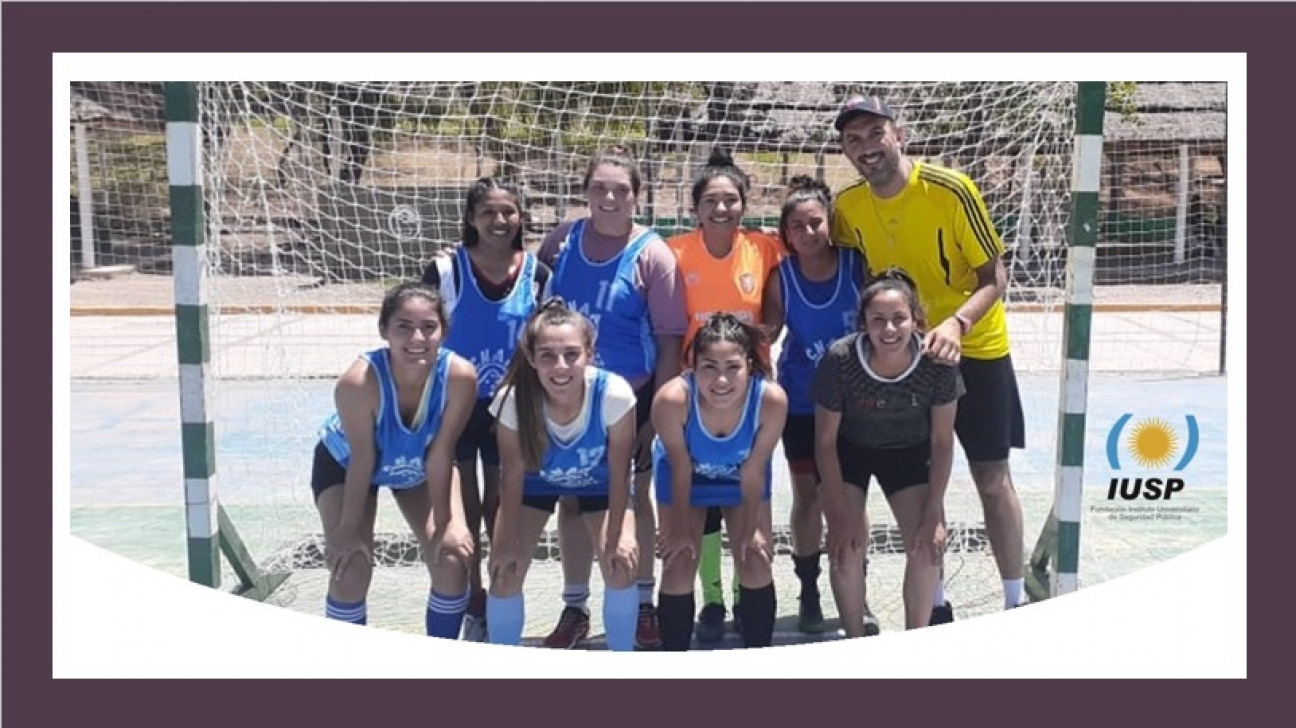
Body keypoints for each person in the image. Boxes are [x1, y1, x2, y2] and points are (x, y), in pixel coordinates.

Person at [830, 94, 1029, 616]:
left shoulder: (950, 190)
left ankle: (1016, 598)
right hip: (905, 362)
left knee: (991, 475)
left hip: (975, 348)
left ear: (899, 135)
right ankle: (935, 603)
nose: (867, 146)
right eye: (855, 139)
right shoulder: (847, 208)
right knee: (919, 489)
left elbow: (995, 277)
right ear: (846, 152)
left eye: (876, 133)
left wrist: (957, 323)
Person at [536, 145, 689, 649]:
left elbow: (670, 339)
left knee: (633, 497)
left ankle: (641, 602)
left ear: (637, 197)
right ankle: (575, 608)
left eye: (620, 189)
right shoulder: (563, 240)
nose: (608, 197)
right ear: (585, 192)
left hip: (631, 399)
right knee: (573, 498)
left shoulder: (653, 254)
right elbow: (524, 280)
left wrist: (654, 419)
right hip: (565, 394)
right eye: (599, 187)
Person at [421, 177, 552, 641]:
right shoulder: (444, 270)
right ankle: (470, 596)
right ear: (471, 218)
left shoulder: (537, 273)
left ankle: (499, 593)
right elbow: (423, 334)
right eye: (488, 212)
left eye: (509, 212)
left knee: (501, 506)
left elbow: (546, 340)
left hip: (510, 408)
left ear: (521, 216)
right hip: (454, 407)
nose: (500, 221)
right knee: (464, 511)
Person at [311, 281, 478, 637]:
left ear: (444, 332)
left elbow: (442, 452)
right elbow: (362, 458)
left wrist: (449, 523)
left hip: (418, 464)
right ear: (384, 331)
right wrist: (346, 531)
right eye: (403, 326)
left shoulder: (460, 376)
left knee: (451, 559)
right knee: (350, 568)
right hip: (348, 465)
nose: (417, 337)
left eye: (429, 327)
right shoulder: (358, 382)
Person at [665, 147, 784, 643]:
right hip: (694, 395)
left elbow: (776, 315)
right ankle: (710, 596)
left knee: (753, 538)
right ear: (695, 208)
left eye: (731, 199)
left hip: (746, 394)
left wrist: (759, 336)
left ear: (744, 204)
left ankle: (743, 602)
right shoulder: (672, 251)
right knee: (692, 530)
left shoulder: (765, 248)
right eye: (711, 200)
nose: (722, 208)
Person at [485, 299, 640, 650]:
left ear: (590, 353)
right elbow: (510, 476)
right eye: (548, 356)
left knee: (620, 564)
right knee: (504, 572)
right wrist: (505, 540)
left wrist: (619, 534)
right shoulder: (512, 400)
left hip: (599, 484)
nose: (560, 366)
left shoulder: (613, 394)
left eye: (572, 354)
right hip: (532, 486)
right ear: (531, 358)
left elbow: (620, 473)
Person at [813, 270, 963, 633]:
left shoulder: (937, 363)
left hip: (908, 453)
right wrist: (838, 514)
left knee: (927, 549)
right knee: (846, 551)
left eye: (899, 319)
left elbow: (943, 441)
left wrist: (934, 513)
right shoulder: (841, 358)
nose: (889, 329)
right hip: (850, 451)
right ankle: (854, 638)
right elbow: (825, 442)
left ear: (916, 320)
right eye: (878, 320)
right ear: (863, 322)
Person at [760, 175, 878, 635]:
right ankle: (808, 588)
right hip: (804, 404)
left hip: (858, 403)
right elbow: (768, 333)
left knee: (851, 501)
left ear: (830, 223)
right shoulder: (781, 277)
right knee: (808, 498)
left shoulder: (855, 266)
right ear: (785, 234)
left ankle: (857, 593)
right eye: (798, 226)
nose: (808, 233)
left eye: (816, 223)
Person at [652, 313, 788, 650]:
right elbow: (681, 468)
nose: (721, 380)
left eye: (733, 367)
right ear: (692, 366)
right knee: (679, 562)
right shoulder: (671, 401)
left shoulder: (770, 400)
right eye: (709, 367)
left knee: (755, 558)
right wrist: (682, 530)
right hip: (685, 476)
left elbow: (754, 470)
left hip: (741, 477)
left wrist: (754, 528)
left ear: (750, 367)